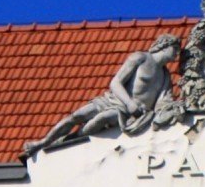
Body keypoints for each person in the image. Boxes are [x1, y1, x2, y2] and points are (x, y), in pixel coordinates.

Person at [25, 35, 182, 154]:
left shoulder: (165, 76)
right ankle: (43, 142)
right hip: (117, 101)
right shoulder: (140, 58)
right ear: (165, 46)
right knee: (77, 116)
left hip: (133, 116)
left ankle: (71, 141)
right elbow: (115, 82)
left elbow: (163, 101)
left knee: (101, 119)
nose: (176, 54)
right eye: (175, 49)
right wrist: (129, 103)